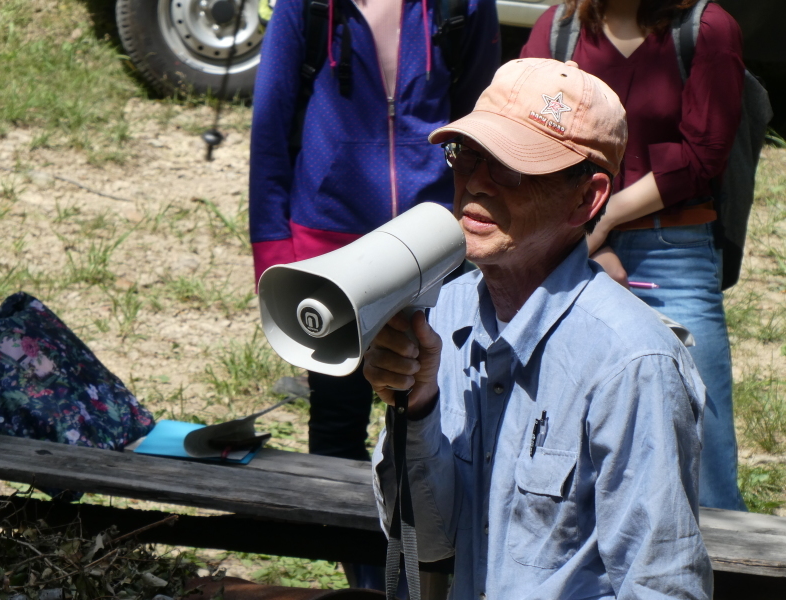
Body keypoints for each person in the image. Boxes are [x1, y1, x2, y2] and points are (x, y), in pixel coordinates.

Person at [366, 58, 713, 599]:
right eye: (466, 154)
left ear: (587, 198)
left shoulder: (632, 362)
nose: (475, 182)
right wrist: (417, 408)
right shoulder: (440, 313)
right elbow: (428, 543)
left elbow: (661, 584)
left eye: (509, 165)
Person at [249, 0, 500, 464]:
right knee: (335, 420)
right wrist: (272, 251)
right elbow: (270, 125)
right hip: (328, 241)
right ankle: (333, 534)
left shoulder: (461, 5)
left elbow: (483, 126)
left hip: (434, 242)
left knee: (433, 414)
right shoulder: (307, 6)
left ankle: (417, 536)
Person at [520, 0, 746, 511]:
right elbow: (526, 133)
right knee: (561, 430)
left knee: (703, 443)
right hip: (569, 248)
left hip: (672, 249)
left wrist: (608, 219)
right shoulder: (559, 28)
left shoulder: (708, 29)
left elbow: (703, 153)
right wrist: (586, 243)